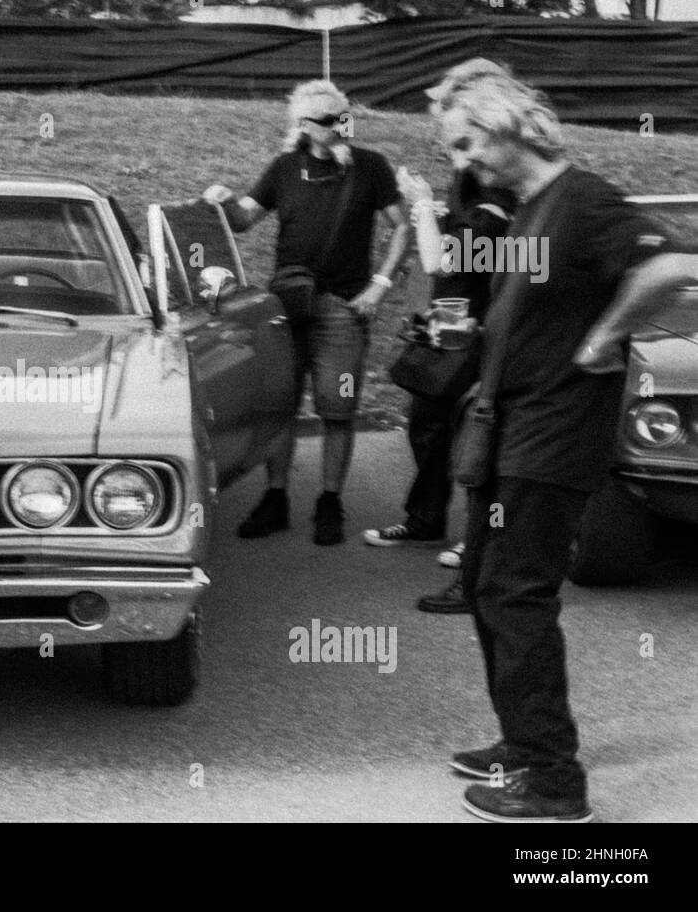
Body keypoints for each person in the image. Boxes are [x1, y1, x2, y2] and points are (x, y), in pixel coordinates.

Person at [436, 75, 694, 822]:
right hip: (506, 429)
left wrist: (607, 337)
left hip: (552, 435)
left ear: (508, 126)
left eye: (467, 142)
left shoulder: (581, 198)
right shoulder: (526, 214)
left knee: (516, 591)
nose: (464, 161)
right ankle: (523, 744)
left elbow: (675, 266)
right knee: (487, 582)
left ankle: (553, 781)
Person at [203, 80, 410, 545]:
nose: (341, 126)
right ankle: (275, 499)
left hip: (344, 307)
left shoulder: (370, 167)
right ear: (302, 125)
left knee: (338, 408)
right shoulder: (283, 168)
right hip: (288, 307)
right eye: (328, 120)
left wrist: (379, 285)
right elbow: (243, 219)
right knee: (281, 406)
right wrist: (220, 201)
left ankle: (330, 501)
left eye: (343, 116)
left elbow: (402, 228)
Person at [361, 60, 517, 611]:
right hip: (456, 326)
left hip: (485, 336)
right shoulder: (476, 204)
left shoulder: (494, 212)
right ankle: (428, 520)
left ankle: (480, 548)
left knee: (475, 442)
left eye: (461, 147)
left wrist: (420, 202)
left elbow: (439, 258)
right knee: (430, 425)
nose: (457, 156)